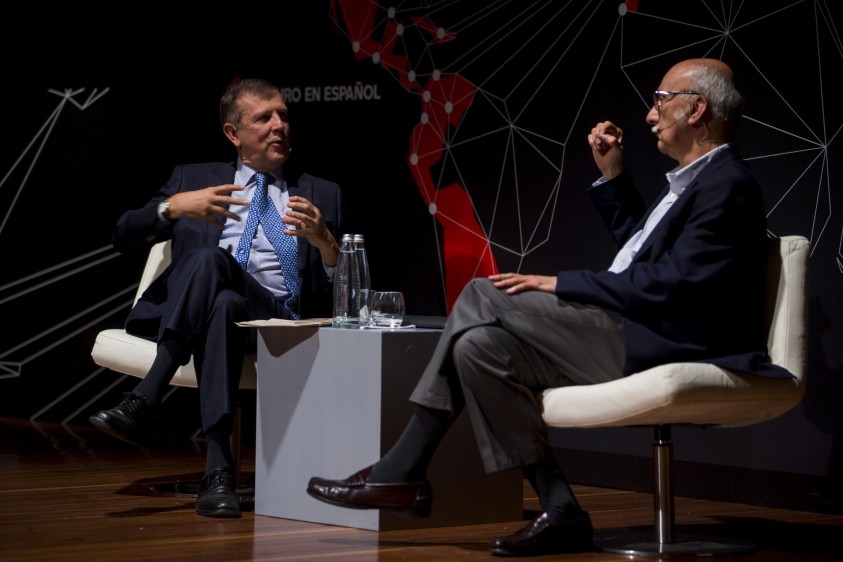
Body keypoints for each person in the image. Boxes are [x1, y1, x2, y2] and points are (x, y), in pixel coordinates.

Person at [306, 58, 794, 556]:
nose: (650, 114)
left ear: (697, 109)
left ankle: (401, 470)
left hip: (667, 341)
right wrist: (613, 176)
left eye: (660, 100)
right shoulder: (694, 182)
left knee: (481, 293)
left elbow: (676, 283)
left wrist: (560, 284)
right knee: (479, 347)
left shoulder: (727, 185)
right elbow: (642, 256)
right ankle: (559, 509)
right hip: (637, 329)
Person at [90, 78, 347, 518]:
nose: (279, 125)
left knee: (212, 262)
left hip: (280, 320)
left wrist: (325, 242)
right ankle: (218, 472)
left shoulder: (321, 191)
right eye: (263, 118)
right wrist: (172, 208)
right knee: (223, 299)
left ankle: (146, 397)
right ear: (234, 133)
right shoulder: (192, 179)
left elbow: (343, 289)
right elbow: (122, 235)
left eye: (283, 115)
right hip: (210, 314)